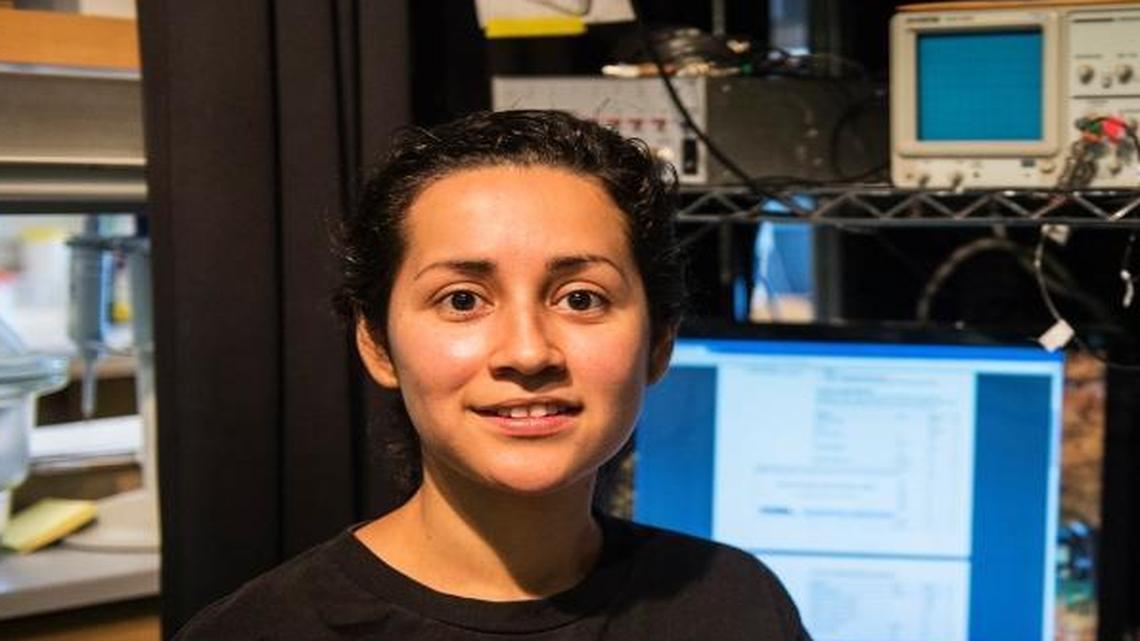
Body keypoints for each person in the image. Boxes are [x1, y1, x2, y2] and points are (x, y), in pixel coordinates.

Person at [175, 110, 811, 640]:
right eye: (462, 300)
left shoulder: (737, 605)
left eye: (581, 298)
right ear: (377, 344)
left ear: (658, 343)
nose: (528, 352)